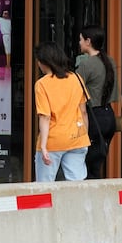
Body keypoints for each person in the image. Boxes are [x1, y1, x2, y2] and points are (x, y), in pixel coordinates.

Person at [34, 40, 89, 181]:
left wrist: (44, 146)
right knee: (77, 185)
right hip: (77, 139)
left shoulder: (42, 84)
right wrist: (84, 136)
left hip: (54, 140)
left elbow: (45, 117)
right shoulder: (76, 78)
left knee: (44, 187)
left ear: (43, 62)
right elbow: (83, 111)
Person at [76, 25, 122, 179]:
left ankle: (89, 200)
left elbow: (74, 89)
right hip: (108, 116)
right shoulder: (109, 60)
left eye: (81, 39)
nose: (79, 42)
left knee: (88, 168)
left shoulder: (86, 64)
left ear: (88, 41)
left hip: (93, 117)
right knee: (96, 163)